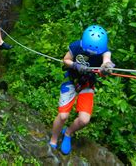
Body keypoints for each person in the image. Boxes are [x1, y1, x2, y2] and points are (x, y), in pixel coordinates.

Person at [49, 25, 115, 155]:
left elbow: (106, 61)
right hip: (71, 81)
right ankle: (54, 139)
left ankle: (68, 133)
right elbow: (65, 60)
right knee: (63, 116)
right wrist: (75, 65)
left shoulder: (104, 51)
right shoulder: (76, 46)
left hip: (87, 84)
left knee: (84, 120)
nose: (90, 54)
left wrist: (107, 67)